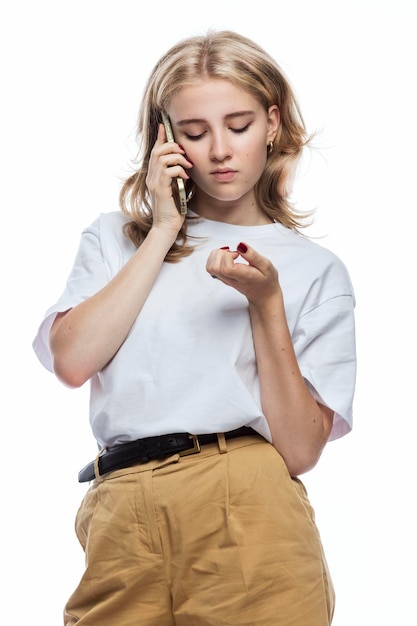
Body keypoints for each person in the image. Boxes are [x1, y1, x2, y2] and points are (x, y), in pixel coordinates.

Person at [33, 30, 356, 626]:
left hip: (248, 500)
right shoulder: (114, 239)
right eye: (194, 131)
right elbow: (72, 362)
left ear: (273, 123)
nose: (219, 151)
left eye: (238, 124)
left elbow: (301, 448)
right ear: (164, 138)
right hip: (121, 506)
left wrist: (265, 303)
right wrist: (162, 230)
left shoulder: (315, 269)